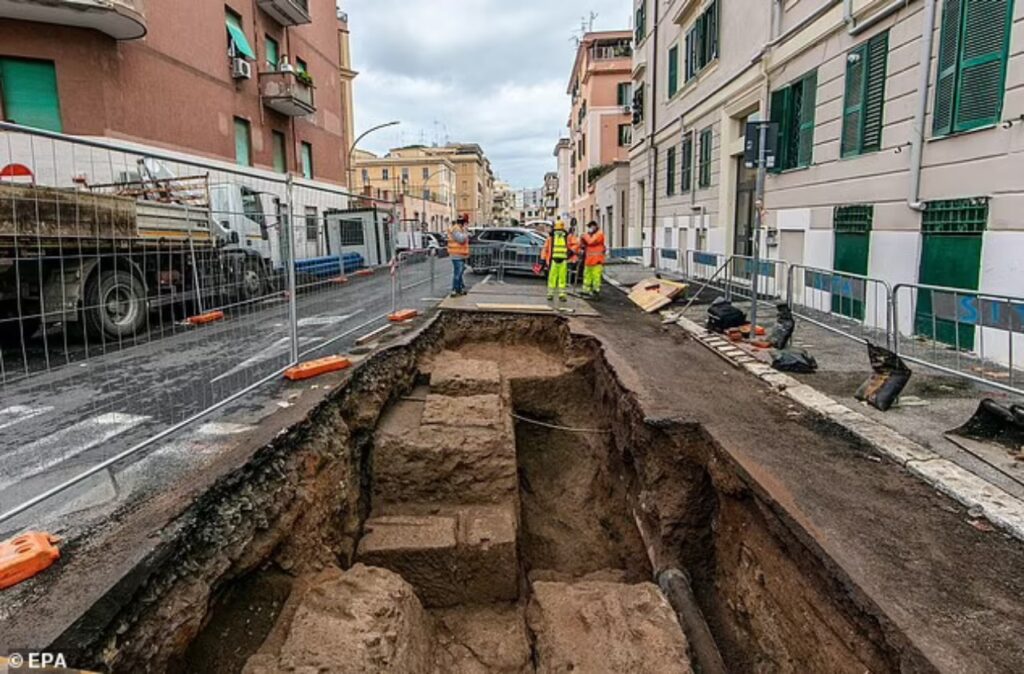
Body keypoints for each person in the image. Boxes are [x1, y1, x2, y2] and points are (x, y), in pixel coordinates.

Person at [542, 218, 570, 301]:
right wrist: (571, 253)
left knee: (552, 278)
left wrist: (543, 259)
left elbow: (545, 249)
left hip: (553, 260)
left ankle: (550, 294)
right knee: (562, 278)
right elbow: (574, 245)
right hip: (563, 260)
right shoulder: (566, 237)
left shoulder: (551, 237)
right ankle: (562, 294)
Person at [581, 220, 606, 298]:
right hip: (589, 260)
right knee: (587, 276)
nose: (589, 228)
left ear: (595, 226)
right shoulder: (591, 235)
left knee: (596, 277)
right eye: (589, 227)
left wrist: (585, 236)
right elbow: (584, 244)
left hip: (596, 261)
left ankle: (596, 291)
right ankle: (586, 290)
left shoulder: (599, 234)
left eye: (591, 227)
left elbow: (591, 242)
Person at [447, 215, 470, 297]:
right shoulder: (456, 229)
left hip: (460, 255)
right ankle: (454, 289)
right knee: (458, 273)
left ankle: (460, 289)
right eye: (466, 223)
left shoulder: (459, 229)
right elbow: (461, 240)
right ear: (463, 223)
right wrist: (466, 232)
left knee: (459, 273)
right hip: (456, 255)